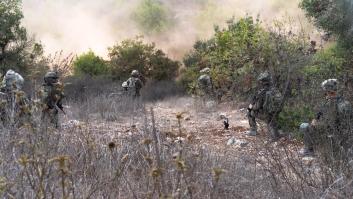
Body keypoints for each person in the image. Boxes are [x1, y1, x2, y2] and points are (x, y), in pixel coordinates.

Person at [300, 79, 352, 157]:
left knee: (304, 126)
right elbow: (319, 113)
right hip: (345, 134)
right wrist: (316, 118)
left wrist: (316, 124)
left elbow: (331, 123)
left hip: (334, 133)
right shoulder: (344, 102)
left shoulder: (332, 103)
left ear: (328, 90)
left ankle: (309, 151)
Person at [246, 71, 283, 141]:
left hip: (267, 114)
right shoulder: (275, 90)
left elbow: (257, 106)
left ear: (262, 82)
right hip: (276, 113)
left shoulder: (262, 92)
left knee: (249, 112)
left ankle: (253, 131)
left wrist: (250, 107)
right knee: (272, 122)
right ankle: (276, 133)